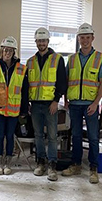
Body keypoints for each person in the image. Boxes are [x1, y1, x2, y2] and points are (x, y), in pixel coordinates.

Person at [62, 23, 102, 184]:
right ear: (78, 39)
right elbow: (67, 80)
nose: (85, 40)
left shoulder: (100, 58)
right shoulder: (72, 58)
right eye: (82, 37)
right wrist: (66, 100)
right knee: (75, 136)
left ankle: (93, 168)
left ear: (92, 38)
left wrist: (96, 103)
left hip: (90, 104)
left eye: (88, 37)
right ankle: (76, 165)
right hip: (74, 104)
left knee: (93, 137)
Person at [27, 27, 67, 181]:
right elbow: (28, 84)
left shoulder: (57, 59)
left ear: (48, 41)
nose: (41, 43)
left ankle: (52, 165)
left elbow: (62, 83)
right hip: (35, 104)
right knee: (38, 135)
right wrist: (29, 102)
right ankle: (40, 162)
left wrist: (56, 101)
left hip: (51, 104)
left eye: (43, 40)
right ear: (36, 42)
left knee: (52, 136)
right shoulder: (31, 61)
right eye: (39, 41)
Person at [0, 36, 29, 175]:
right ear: (1, 51)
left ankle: (8, 163)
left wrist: (24, 110)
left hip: (13, 109)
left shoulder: (22, 69)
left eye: (11, 51)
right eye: (6, 50)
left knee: (10, 135)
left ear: (14, 52)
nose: (8, 53)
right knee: (0, 135)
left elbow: (25, 91)